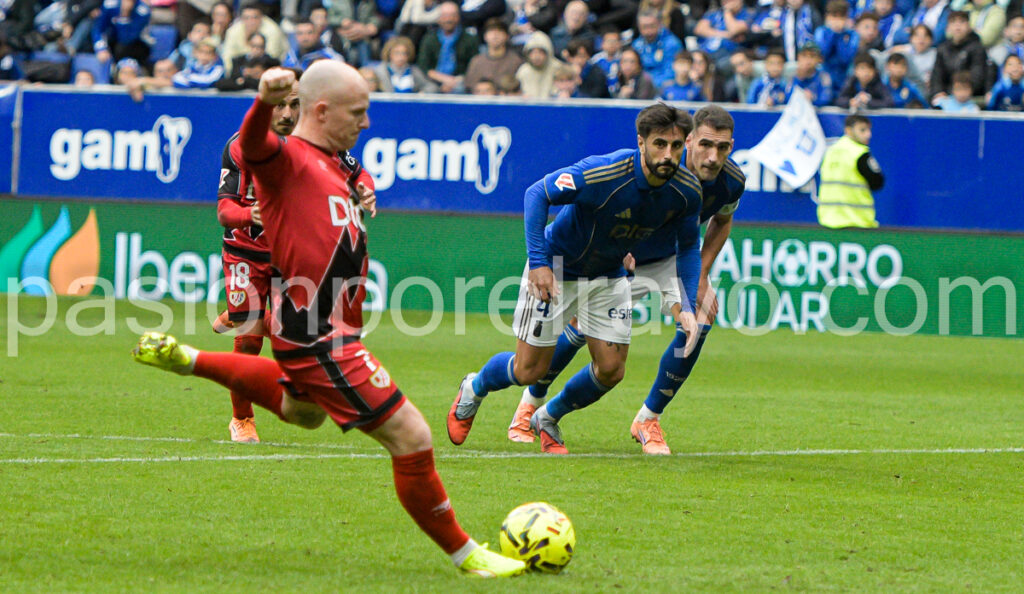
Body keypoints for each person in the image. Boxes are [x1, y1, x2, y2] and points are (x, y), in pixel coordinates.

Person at [132, 63, 526, 578]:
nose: (365, 123)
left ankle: (188, 359)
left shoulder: (330, 162)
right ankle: (467, 555)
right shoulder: (287, 156)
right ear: (321, 111)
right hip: (318, 332)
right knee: (412, 435)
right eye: (358, 113)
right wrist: (261, 101)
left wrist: (361, 189)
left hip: (323, 325)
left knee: (304, 414)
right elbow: (253, 148)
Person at [447, 103, 703, 454]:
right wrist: (539, 263)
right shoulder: (603, 173)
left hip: (609, 275)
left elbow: (688, 247)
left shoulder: (687, 191)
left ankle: (547, 416)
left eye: (676, 146)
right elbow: (537, 193)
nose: (668, 154)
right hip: (558, 270)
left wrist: (687, 304)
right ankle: (474, 387)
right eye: (660, 144)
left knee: (612, 370)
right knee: (528, 371)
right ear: (640, 141)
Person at [507, 105, 744, 455]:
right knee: (577, 327)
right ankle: (530, 402)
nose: (712, 157)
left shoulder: (731, 183)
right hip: (619, 258)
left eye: (723, 148)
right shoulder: (657, 164)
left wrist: (702, 274)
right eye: (706, 145)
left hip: (668, 260)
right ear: (688, 140)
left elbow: (721, 223)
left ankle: (648, 418)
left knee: (702, 314)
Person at [817, 114, 884, 229]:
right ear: (848, 130)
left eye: (869, 130)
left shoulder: (831, 151)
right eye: (862, 130)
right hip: (856, 222)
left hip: (828, 222)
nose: (868, 134)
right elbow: (877, 182)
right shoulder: (859, 153)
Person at [417, 1, 478, 93]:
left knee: (459, 90)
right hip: (433, 80)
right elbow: (423, 66)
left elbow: (473, 66)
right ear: (439, 18)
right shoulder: (429, 39)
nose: (448, 19)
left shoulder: (470, 39)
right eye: (445, 15)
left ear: (458, 17)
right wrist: (444, 79)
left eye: (452, 15)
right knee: (429, 91)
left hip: (459, 81)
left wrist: (454, 81)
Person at [929, 10, 988, 101]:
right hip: (946, 97)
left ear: (969, 26)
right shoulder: (942, 49)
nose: (958, 26)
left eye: (962, 22)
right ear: (948, 27)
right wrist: (938, 92)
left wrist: (957, 92)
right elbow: (936, 75)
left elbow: (978, 77)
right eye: (953, 22)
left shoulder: (978, 48)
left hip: (969, 97)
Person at [464, 18, 524, 93]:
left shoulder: (516, 61)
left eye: (499, 31)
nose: (495, 35)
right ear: (485, 36)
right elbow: (469, 87)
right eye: (491, 31)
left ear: (507, 36)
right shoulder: (476, 61)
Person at [816, 0, 859, 94]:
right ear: (827, 16)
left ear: (847, 17)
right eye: (834, 16)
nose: (837, 20)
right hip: (825, 77)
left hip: (845, 79)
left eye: (841, 16)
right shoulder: (821, 32)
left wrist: (840, 35)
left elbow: (845, 59)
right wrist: (833, 33)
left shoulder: (853, 35)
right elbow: (823, 54)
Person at [635, 8, 685, 88]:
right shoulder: (637, 45)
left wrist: (647, 86)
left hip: (664, 89)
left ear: (659, 24)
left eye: (652, 26)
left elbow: (671, 74)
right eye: (644, 27)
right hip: (641, 89)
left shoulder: (672, 44)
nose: (648, 31)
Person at [92, 0, 151, 66]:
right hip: (112, 39)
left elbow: (128, 38)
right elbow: (98, 28)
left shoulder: (143, 11)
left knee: (122, 48)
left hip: (135, 43)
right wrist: (101, 49)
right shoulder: (109, 5)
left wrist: (125, 16)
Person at [372, 35, 439, 92]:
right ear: (390, 54)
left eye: (404, 53)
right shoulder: (380, 70)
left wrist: (422, 93)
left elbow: (432, 87)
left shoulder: (414, 70)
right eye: (397, 53)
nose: (401, 57)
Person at [516, 30, 564, 98]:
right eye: (533, 52)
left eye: (540, 52)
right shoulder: (523, 71)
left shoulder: (558, 68)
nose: (536, 57)